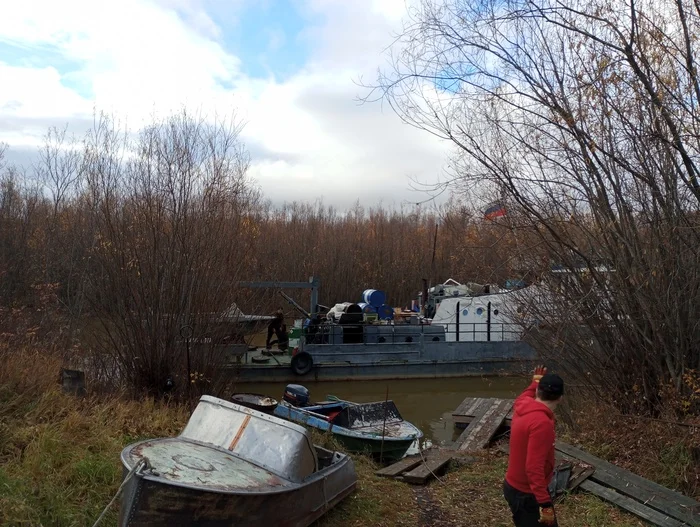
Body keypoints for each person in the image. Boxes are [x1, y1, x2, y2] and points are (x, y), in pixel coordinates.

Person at [504, 365, 564, 526]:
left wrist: (535, 382)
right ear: (560, 398)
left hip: (513, 486)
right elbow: (533, 467)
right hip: (527, 494)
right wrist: (544, 503)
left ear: (538, 391)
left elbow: (525, 394)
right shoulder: (542, 423)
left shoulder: (523, 405)